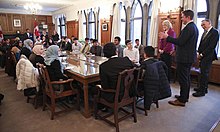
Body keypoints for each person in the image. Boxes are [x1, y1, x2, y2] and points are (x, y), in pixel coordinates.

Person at [159, 10, 199, 106]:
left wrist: (167, 37)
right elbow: (184, 42)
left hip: (185, 58)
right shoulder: (193, 27)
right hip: (188, 57)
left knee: (183, 78)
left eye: (182, 17)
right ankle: (184, 96)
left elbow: (180, 41)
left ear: (188, 17)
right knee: (186, 78)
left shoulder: (189, 28)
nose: (181, 18)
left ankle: (182, 100)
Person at [192, 19, 219, 97]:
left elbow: (211, 46)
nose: (202, 26)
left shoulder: (215, 32)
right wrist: (198, 52)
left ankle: (202, 91)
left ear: (209, 23)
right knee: (202, 72)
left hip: (208, 56)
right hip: (202, 55)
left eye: (204, 24)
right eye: (201, 25)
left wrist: (202, 54)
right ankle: (203, 88)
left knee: (204, 73)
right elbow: (201, 44)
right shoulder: (204, 32)